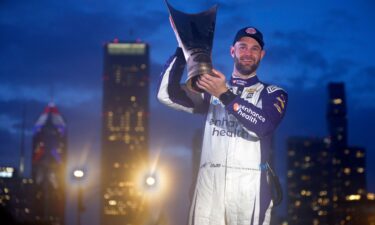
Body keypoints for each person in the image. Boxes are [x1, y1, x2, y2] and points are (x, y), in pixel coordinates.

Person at [157, 25, 288, 225]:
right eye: (242, 47)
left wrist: (224, 94)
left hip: (249, 184)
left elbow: (264, 127)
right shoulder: (210, 89)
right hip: (209, 182)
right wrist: (183, 49)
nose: (248, 53)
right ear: (232, 51)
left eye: (254, 49)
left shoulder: (273, 93)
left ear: (262, 54)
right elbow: (165, 94)